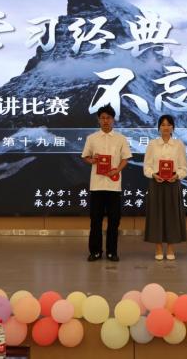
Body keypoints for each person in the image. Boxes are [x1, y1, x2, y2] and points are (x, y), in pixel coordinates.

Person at [81, 104, 132, 262]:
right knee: (95, 220)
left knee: (114, 221)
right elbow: (85, 157)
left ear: (113, 120)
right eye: (102, 118)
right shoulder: (92, 138)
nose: (105, 121)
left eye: (108, 118)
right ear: (98, 120)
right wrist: (92, 160)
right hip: (97, 185)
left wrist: (117, 170)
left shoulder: (120, 138)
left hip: (113, 186)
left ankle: (112, 252)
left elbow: (125, 158)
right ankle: (95, 251)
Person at [143, 114, 187, 260]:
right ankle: (157, 247)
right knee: (156, 215)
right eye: (163, 124)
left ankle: (170, 248)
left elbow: (184, 168)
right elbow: (147, 167)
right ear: (159, 128)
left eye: (169, 124)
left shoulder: (179, 145)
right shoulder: (152, 144)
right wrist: (153, 174)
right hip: (156, 183)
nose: (166, 127)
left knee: (172, 215)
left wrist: (177, 175)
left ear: (173, 127)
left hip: (173, 183)